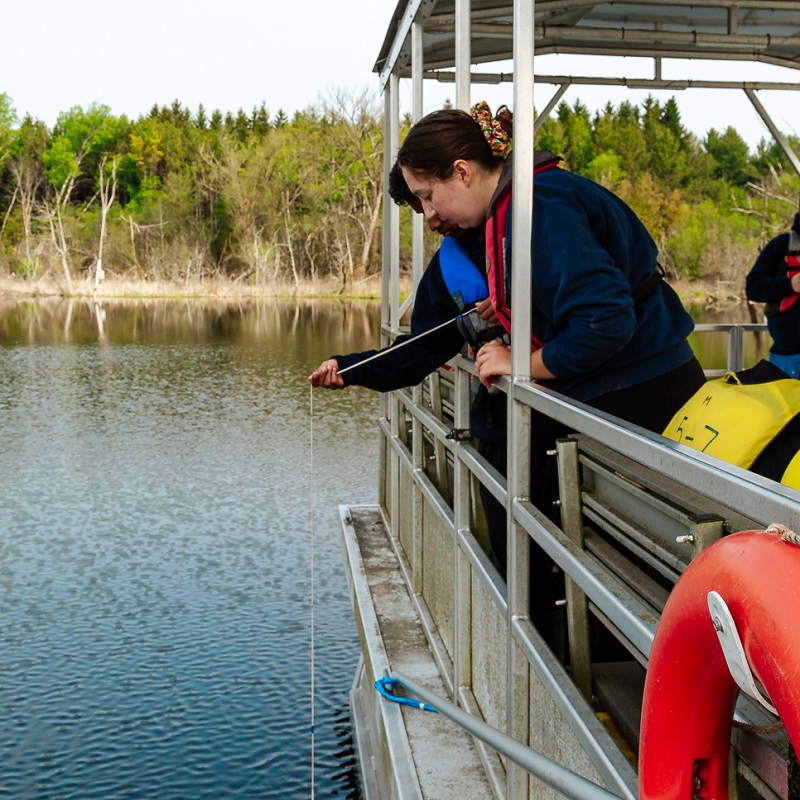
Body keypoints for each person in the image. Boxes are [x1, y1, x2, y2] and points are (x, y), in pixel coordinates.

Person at [395, 103, 706, 659]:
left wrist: (522, 364)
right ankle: (562, 644)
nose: (427, 211)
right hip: (623, 383)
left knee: (625, 546)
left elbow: (606, 321)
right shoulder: (519, 206)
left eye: (426, 195)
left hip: (642, 386)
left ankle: (591, 660)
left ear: (462, 172)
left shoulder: (543, 209)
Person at [308, 161, 511, 572]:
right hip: (501, 434)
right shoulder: (447, 269)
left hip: (573, 417)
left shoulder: (530, 223)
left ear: (461, 175)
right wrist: (348, 368)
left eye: (432, 200)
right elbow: (416, 353)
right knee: (511, 556)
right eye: (421, 209)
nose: (433, 218)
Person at [745, 210, 800, 379]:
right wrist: (790, 284)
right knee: (784, 405)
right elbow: (753, 287)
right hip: (786, 355)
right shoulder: (780, 246)